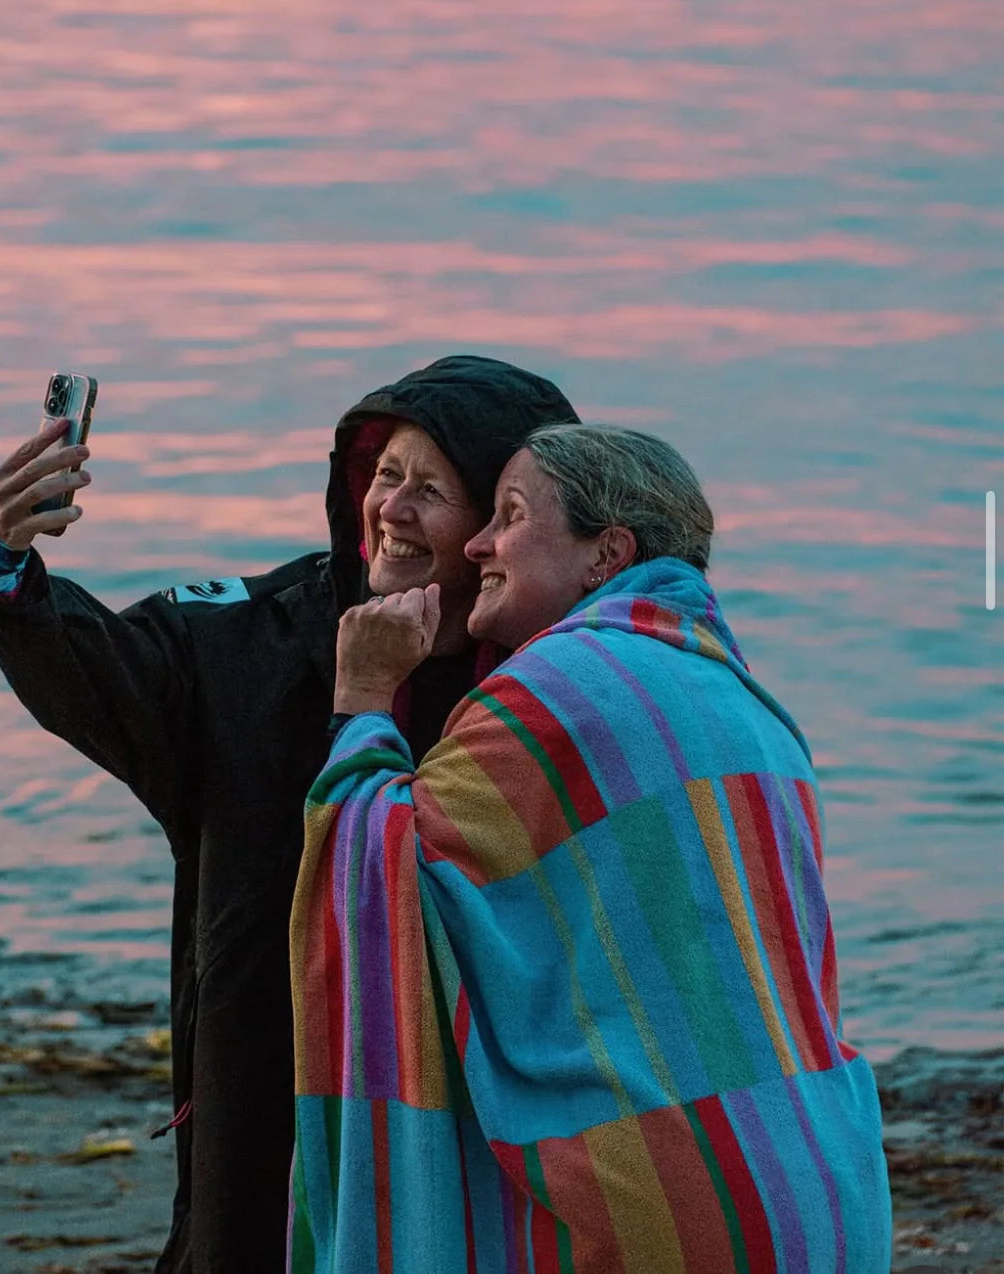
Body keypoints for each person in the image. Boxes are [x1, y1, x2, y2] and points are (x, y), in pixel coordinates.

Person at [0, 355, 580, 1273]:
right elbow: (111, 673)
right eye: (383, 476)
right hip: (271, 1086)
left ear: (500, 522)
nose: (390, 509)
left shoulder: (558, 677)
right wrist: (1, 565)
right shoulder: (257, 638)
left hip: (485, 1093)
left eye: (432, 491)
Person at [290, 424, 892, 1273]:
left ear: (606, 553)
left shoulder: (552, 691)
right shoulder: (751, 704)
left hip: (667, 1203)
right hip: (820, 1178)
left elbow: (376, 877)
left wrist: (363, 697)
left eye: (510, 515)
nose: (477, 543)